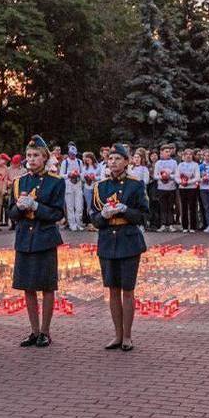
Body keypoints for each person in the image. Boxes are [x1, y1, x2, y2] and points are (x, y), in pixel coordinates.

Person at [8, 135, 66, 347]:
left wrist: (36, 207)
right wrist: (20, 208)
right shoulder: (19, 182)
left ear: (45, 158)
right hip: (24, 238)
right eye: (29, 155)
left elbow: (57, 213)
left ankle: (45, 331)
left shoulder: (55, 182)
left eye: (36, 156)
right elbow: (11, 213)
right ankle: (33, 330)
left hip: (45, 238)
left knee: (46, 286)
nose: (31, 159)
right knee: (27, 287)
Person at [91, 143, 148, 351]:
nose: (113, 162)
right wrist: (103, 215)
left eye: (117, 158)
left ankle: (127, 336)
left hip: (128, 240)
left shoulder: (135, 185)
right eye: (111, 158)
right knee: (112, 290)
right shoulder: (101, 187)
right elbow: (94, 218)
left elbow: (143, 215)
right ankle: (117, 334)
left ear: (126, 162)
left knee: (128, 290)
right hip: (107, 240)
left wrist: (125, 210)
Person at [152, 144, 178, 232]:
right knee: (162, 207)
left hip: (171, 188)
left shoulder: (174, 162)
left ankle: (170, 224)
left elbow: (177, 175)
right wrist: (162, 177)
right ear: (161, 153)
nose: (168, 153)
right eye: (166, 151)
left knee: (170, 207)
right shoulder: (158, 163)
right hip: (161, 188)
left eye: (169, 151)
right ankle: (163, 224)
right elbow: (155, 176)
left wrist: (169, 176)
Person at [58, 143, 84, 231]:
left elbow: (83, 173)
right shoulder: (65, 162)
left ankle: (79, 223)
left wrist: (78, 174)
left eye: (74, 154)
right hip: (68, 185)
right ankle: (72, 224)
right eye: (71, 154)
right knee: (70, 206)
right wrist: (69, 174)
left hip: (78, 185)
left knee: (79, 206)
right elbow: (61, 175)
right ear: (69, 153)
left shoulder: (79, 162)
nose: (72, 155)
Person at [175, 148, 200, 232]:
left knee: (192, 207)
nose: (188, 156)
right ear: (184, 156)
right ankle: (185, 227)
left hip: (192, 188)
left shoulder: (195, 165)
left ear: (192, 156)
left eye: (190, 154)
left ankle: (193, 226)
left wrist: (188, 182)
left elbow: (197, 177)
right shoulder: (180, 165)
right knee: (184, 207)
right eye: (186, 154)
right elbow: (176, 177)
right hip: (182, 188)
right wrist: (181, 182)